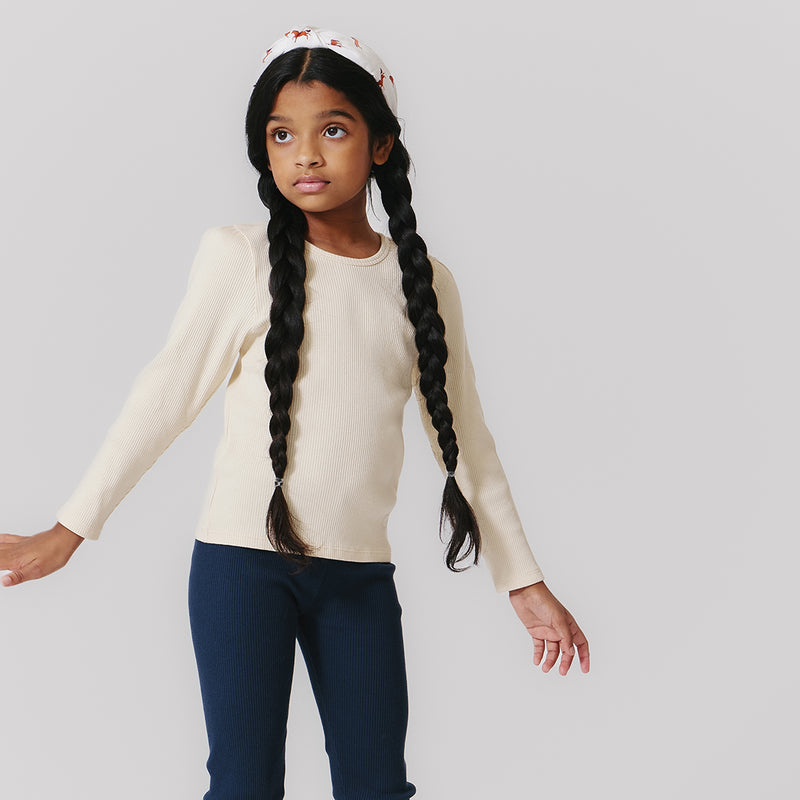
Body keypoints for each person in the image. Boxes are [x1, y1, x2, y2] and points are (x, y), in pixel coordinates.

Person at [0, 25, 590, 800]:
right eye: (282, 135)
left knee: (378, 788)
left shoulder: (424, 283)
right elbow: (164, 395)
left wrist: (522, 579)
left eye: (332, 130)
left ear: (381, 145)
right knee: (244, 787)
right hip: (242, 568)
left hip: (358, 578)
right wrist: (70, 527)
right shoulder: (240, 257)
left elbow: (467, 443)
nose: (305, 155)